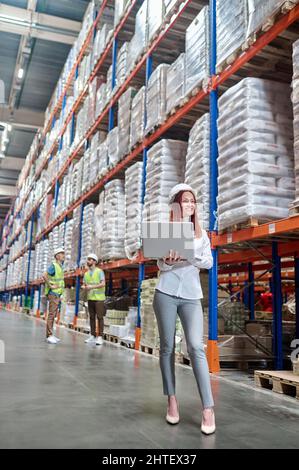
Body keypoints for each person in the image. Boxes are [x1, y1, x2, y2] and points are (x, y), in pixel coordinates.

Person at [152, 184, 216, 435]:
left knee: (196, 347)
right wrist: (166, 261)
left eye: (192, 201)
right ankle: (171, 399)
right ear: (176, 205)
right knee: (167, 347)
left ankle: (208, 408)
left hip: (191, 296)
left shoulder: (201, 234)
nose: (189, 204)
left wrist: (192, 257)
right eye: (184, 201)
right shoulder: (166, 230)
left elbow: (209, 262)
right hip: (165, 293)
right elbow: (160, 263)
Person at [82, 253, 106, 346]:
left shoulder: (99, 272)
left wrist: (91, 287)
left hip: (99, 299)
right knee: (91, 317)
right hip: (90, 298)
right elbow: (84, 284)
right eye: (88, 259)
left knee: (100, 317)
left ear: (95, 262)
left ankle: (100, 337)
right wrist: (84, 287)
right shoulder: (86, 274)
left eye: (90, 259)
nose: (88, 261)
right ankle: (92, 335)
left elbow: (103, 284)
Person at [44, 247, 65, 344]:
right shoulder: (54, 266)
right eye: (61, 254)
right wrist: (50, 285)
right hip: (53, 293)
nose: (63, 255)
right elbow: (44, 275)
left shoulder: (60, 266)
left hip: (57, 293)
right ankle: (49, 335)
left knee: (54, 314)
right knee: (52, 314)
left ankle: (51, 334)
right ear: (57, 256)